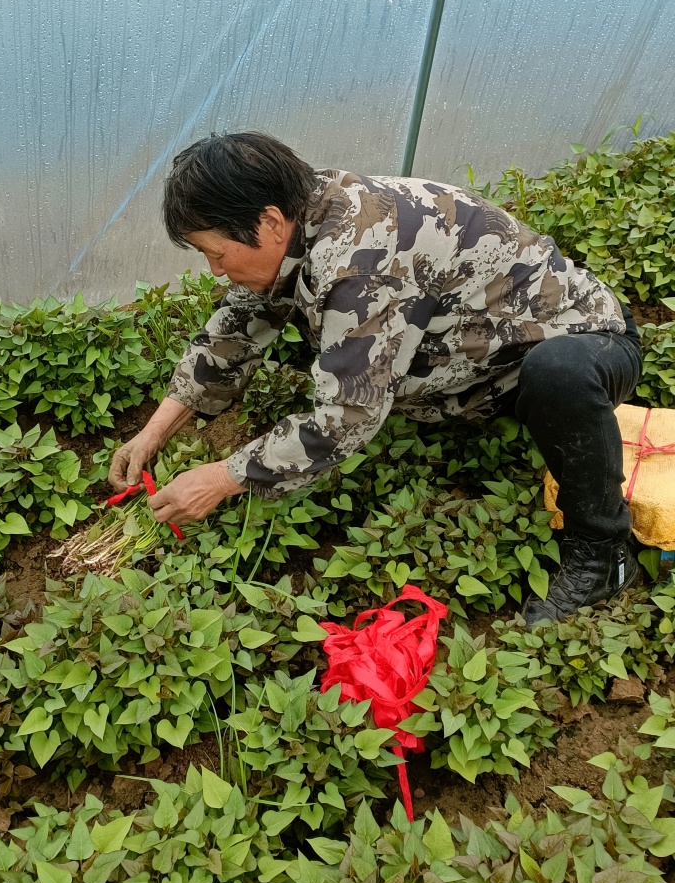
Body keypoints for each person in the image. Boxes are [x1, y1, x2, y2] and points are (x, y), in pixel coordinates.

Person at [108, 132, 642, 626]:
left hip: (583, 345)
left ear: (269, 222)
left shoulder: (357, 258)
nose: (216, 272)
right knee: (332, 346)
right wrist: (155, 432)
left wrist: (224, 476)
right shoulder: (302, 208)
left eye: (217, 255)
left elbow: (346, 418)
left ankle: (601, 551)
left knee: (559, 376)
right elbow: (234, 332)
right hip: (480, 359)